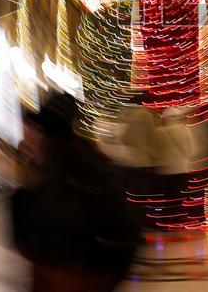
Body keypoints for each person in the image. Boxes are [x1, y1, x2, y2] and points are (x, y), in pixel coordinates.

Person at [12, 93, 140, 291]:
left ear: (51, 138)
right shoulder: (40, 173)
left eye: (36, 131)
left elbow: (123, 232)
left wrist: (92, 278)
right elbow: (25, 229)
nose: (26, 136)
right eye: (29, 129)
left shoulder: (85, 175)